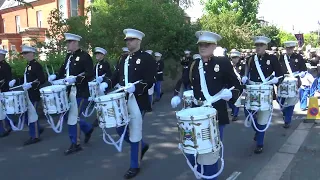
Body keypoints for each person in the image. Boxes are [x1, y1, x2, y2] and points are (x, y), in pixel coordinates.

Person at [171, 30, 242, 180]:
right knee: (190, 150)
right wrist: (176, 95)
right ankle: (202, 174)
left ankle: (209, 176)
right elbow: (183, 81)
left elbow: (237, 85)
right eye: (200, 45)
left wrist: (231, 94)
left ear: (214, 46)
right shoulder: (193, 64)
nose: (203, 47)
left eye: (207, 44)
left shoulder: (222, 63)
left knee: (210, 153)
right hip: (197, 113)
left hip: (216, 113)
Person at [100, 28, 155, 179]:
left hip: (138, 100)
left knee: (135, 130)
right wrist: (107, 83)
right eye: (127, 40)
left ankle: (134, 165)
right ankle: (141, 146)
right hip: (122, 99)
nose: (128, 42)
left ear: (138, 41)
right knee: (120, 129)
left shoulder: (146, 58)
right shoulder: (123, 58)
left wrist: (136, 87)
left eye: (131, 40)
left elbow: (150, 81)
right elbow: (116, 75)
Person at [48, 33, 95, 155]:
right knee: (69, 116)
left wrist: (76, 79)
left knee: (73, 117)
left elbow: (90, 74)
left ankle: (75, 143)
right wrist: (55, 77)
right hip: (69, 92)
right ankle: (88, 129)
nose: (67, 45)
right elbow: (63, 71)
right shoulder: (69, 56)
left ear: (75, 42)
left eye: (69, 42)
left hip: (81, 92)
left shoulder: (85, 56)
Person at [241, 36, 284, 154]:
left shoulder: (273, 59)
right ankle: (258, 130)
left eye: (261, 45)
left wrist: (277, 80)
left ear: (266, 46)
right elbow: (243, 73)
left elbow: (280, 75)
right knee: (248, 112)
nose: (258, 47)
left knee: (263, 116)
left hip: (266, 90)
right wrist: (243, 79)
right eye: (257, 45)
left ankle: (260, 143)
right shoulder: (250, 59)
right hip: (253, 90)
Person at [9, 45, 45, 145]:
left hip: (34, 93)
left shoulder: (36, 65)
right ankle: (38, 129)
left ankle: (35, 136)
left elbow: (42, 79)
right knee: (27, 115)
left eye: (26, 53)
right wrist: (16, 80)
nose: (24, 55)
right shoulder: (28, 65)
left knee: (31, 115)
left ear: (31, 54)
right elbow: (26, 79)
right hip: (28, 94)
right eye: (23, 54)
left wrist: (32, 84)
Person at [278, 41, 307, 128]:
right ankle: (285, 113)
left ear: (293, 48)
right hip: (283, 81)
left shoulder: (298, 57)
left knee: (291, 101)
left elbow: (304, 69)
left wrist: (302, 73)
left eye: (291, 48)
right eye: (287, 48)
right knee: (281, 100)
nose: (289, 50)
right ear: (285, 48)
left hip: (294, 81)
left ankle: (287, 120)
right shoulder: (281, 57)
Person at [92, 47, 112, 127]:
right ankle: (100, 117)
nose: (97, 55)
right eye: (96, 54)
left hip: (103, 86)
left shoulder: (105, 64)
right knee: (98, 103)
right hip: (97, 86)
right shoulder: (96, 65)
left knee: (103, 102)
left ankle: (102, 118)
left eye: (99, 54)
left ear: (103, 55)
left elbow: (109, 74)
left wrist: (103, 79)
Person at [0, 49, 12, 138]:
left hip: (4, 90)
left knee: (3, 109)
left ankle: (5, 128)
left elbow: (7, 78)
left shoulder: (5, 66)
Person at [228, 49, 242, 121]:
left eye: (236, 57)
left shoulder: (241, 65)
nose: (235, 59)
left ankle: (235, 114)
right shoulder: (228, 65)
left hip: (239, 86)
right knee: (230, 101)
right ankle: (233, 111)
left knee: (237, 101)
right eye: (233, 57)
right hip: (229, 86)